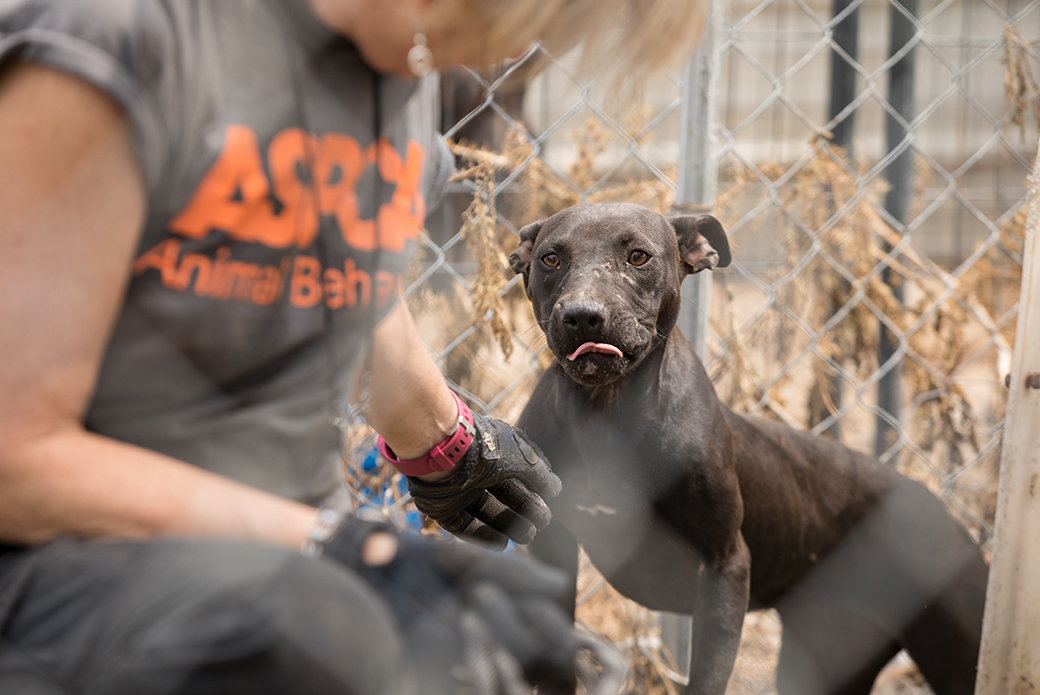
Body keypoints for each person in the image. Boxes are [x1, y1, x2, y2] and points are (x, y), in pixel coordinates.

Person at [0, 0, 705, 693]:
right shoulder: (119, 45)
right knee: (327, 631)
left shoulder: (402, 64)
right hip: (71, 559)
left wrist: (447, 442)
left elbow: (340, 278)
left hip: (280, 556)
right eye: (507, 26)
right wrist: (340, 548)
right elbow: (16, 460)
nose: (504, 59)